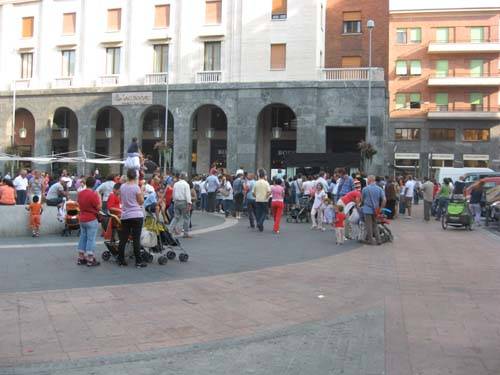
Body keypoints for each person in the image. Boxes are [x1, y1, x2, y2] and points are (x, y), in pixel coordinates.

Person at [117, 169, 147, 268]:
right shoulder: (136, 188)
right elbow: (141, 201)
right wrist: (142, 191)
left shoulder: (122, 186)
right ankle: (138, 261)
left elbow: (121, 199)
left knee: (123, 239)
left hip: (125, 215)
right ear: (135, 177)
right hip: (136, 215)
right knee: (136, 239)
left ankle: (121, 260)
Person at [76, 176, 102, 267]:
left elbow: (78, 204)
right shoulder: (93, 194)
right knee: (91, 239)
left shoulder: (80, 193)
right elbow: (98, 207)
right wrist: (100, 198)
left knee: (83, 237)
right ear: (94, 184)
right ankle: (90, 259)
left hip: (82, 218)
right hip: (91, 218)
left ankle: (81, 257)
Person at [361, 175, 386, 245]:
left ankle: (370, 240)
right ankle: (378, 240)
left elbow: (362, 199)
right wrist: (381, 208)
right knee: (375, 224)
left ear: (369, 180)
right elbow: (384, 200)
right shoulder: (379, 189)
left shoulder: (365, 189)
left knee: (368, 225)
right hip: (376, 209)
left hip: (367, 209)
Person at [169, 172, 192, 238]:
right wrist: (189, 203)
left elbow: (173, 193)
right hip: (184, 202)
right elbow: (187, 195)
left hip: (176, 202)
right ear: (185, 177)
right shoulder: (186, 184)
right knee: (186, 217)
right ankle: (185, 233)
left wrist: (174, 200)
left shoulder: (176, 184)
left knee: (176, 217)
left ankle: (170, 231)